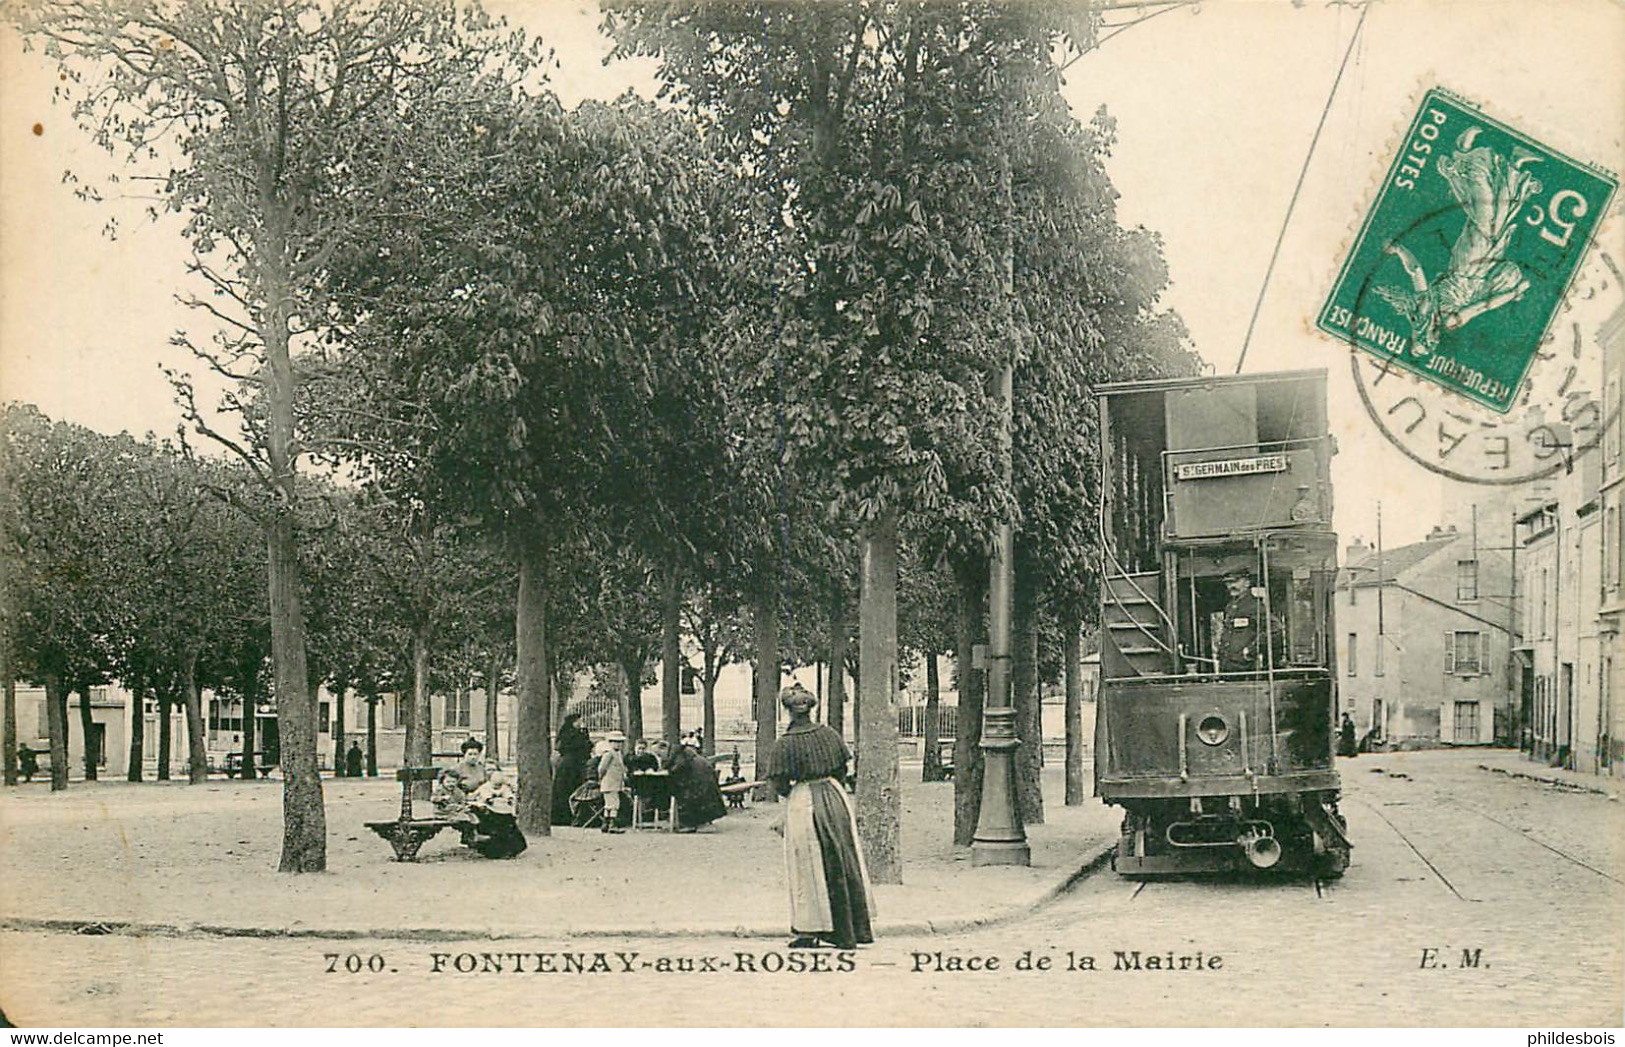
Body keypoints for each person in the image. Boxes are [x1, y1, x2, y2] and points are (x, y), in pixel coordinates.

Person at [764, 683, 874, 950]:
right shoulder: (829, 734)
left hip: (805, 800)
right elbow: (842, 768)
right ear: (811, 708)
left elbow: (779, 783)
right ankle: (851, 929)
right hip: (836, 799)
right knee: (844, 859)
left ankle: (811, 929)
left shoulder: (784, 744)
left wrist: (793, 793)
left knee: (808, 864)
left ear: (788, 711)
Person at [1217, 568, 1282, 673]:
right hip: (1228, 667)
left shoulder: (1254, 605)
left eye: (1235, 582)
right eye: (1228, 583)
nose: (1230, 586)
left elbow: (1275, 628)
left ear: (1247, 583)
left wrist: (1251, 651)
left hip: (1246, 668)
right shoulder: (1230, 607)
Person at [667, 732, 727, 832]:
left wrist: (669, 771)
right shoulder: (687, 753)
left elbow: (679, 766)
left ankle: (691, 824)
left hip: (698, 783)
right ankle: (700, 823)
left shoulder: (678, 752)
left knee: (684, 794)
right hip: (705, 780)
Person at [433, 737, 488, 844]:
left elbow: (486, 783)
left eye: (475, 754)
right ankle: (472, 836)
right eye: (470, 754)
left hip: (480, 797)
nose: (473, 757)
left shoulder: (481, 768)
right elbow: (450, 787)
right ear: (464, 755)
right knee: (475, 811)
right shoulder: (457, 769)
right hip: (463, 799)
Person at [469, 765, 527, 859]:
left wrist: (509, 798)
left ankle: (511, 849)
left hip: (503, 810)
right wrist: (488, 799)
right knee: (495, 829)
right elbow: (482, 795)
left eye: (499, 785)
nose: (497, 787)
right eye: (495, 785)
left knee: (508, 826)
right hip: (488, 810)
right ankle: (494, 851)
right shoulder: (485, 787)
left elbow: (508, 794)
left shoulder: (504, 787)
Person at [553, 712, 593, 825]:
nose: (581, 723)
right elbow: (583, 746)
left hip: (574, 765)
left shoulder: (577, 733)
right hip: (571, 766)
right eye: (579, 721)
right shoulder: (570, 734)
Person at [596, 731, 628, 833]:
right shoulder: (609, 754)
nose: (618, 744)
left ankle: (606, 824)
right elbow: (602, 768)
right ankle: (612, 825)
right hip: (609, 782)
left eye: (620, 742)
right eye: (615, 742)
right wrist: (601, 778)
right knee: (613, 804)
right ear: (610, 743)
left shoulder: (618, 754)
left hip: (616, 782)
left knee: (611, 803)